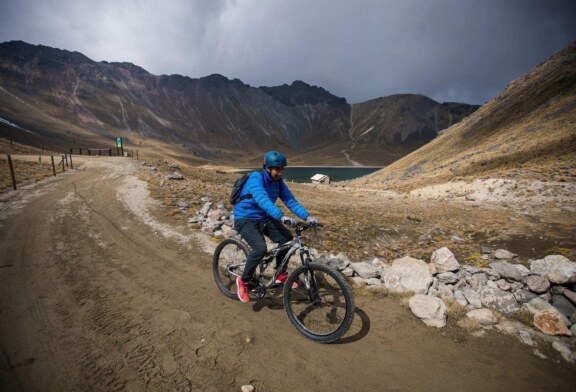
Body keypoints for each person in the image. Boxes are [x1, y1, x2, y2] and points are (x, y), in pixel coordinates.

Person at [233, 150, 319, 303]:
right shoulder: (256, 178)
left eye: (282, 169)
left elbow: (290, 201)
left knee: (287, 239)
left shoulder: (278, 182)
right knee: (260, 248)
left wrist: (307, 216)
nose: (280, 172)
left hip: (263, 217)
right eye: (278, 169)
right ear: (267, 168)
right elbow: (262, 200)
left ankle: (280, 273)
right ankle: (244, 281)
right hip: (245, 218)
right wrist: (282, 216)